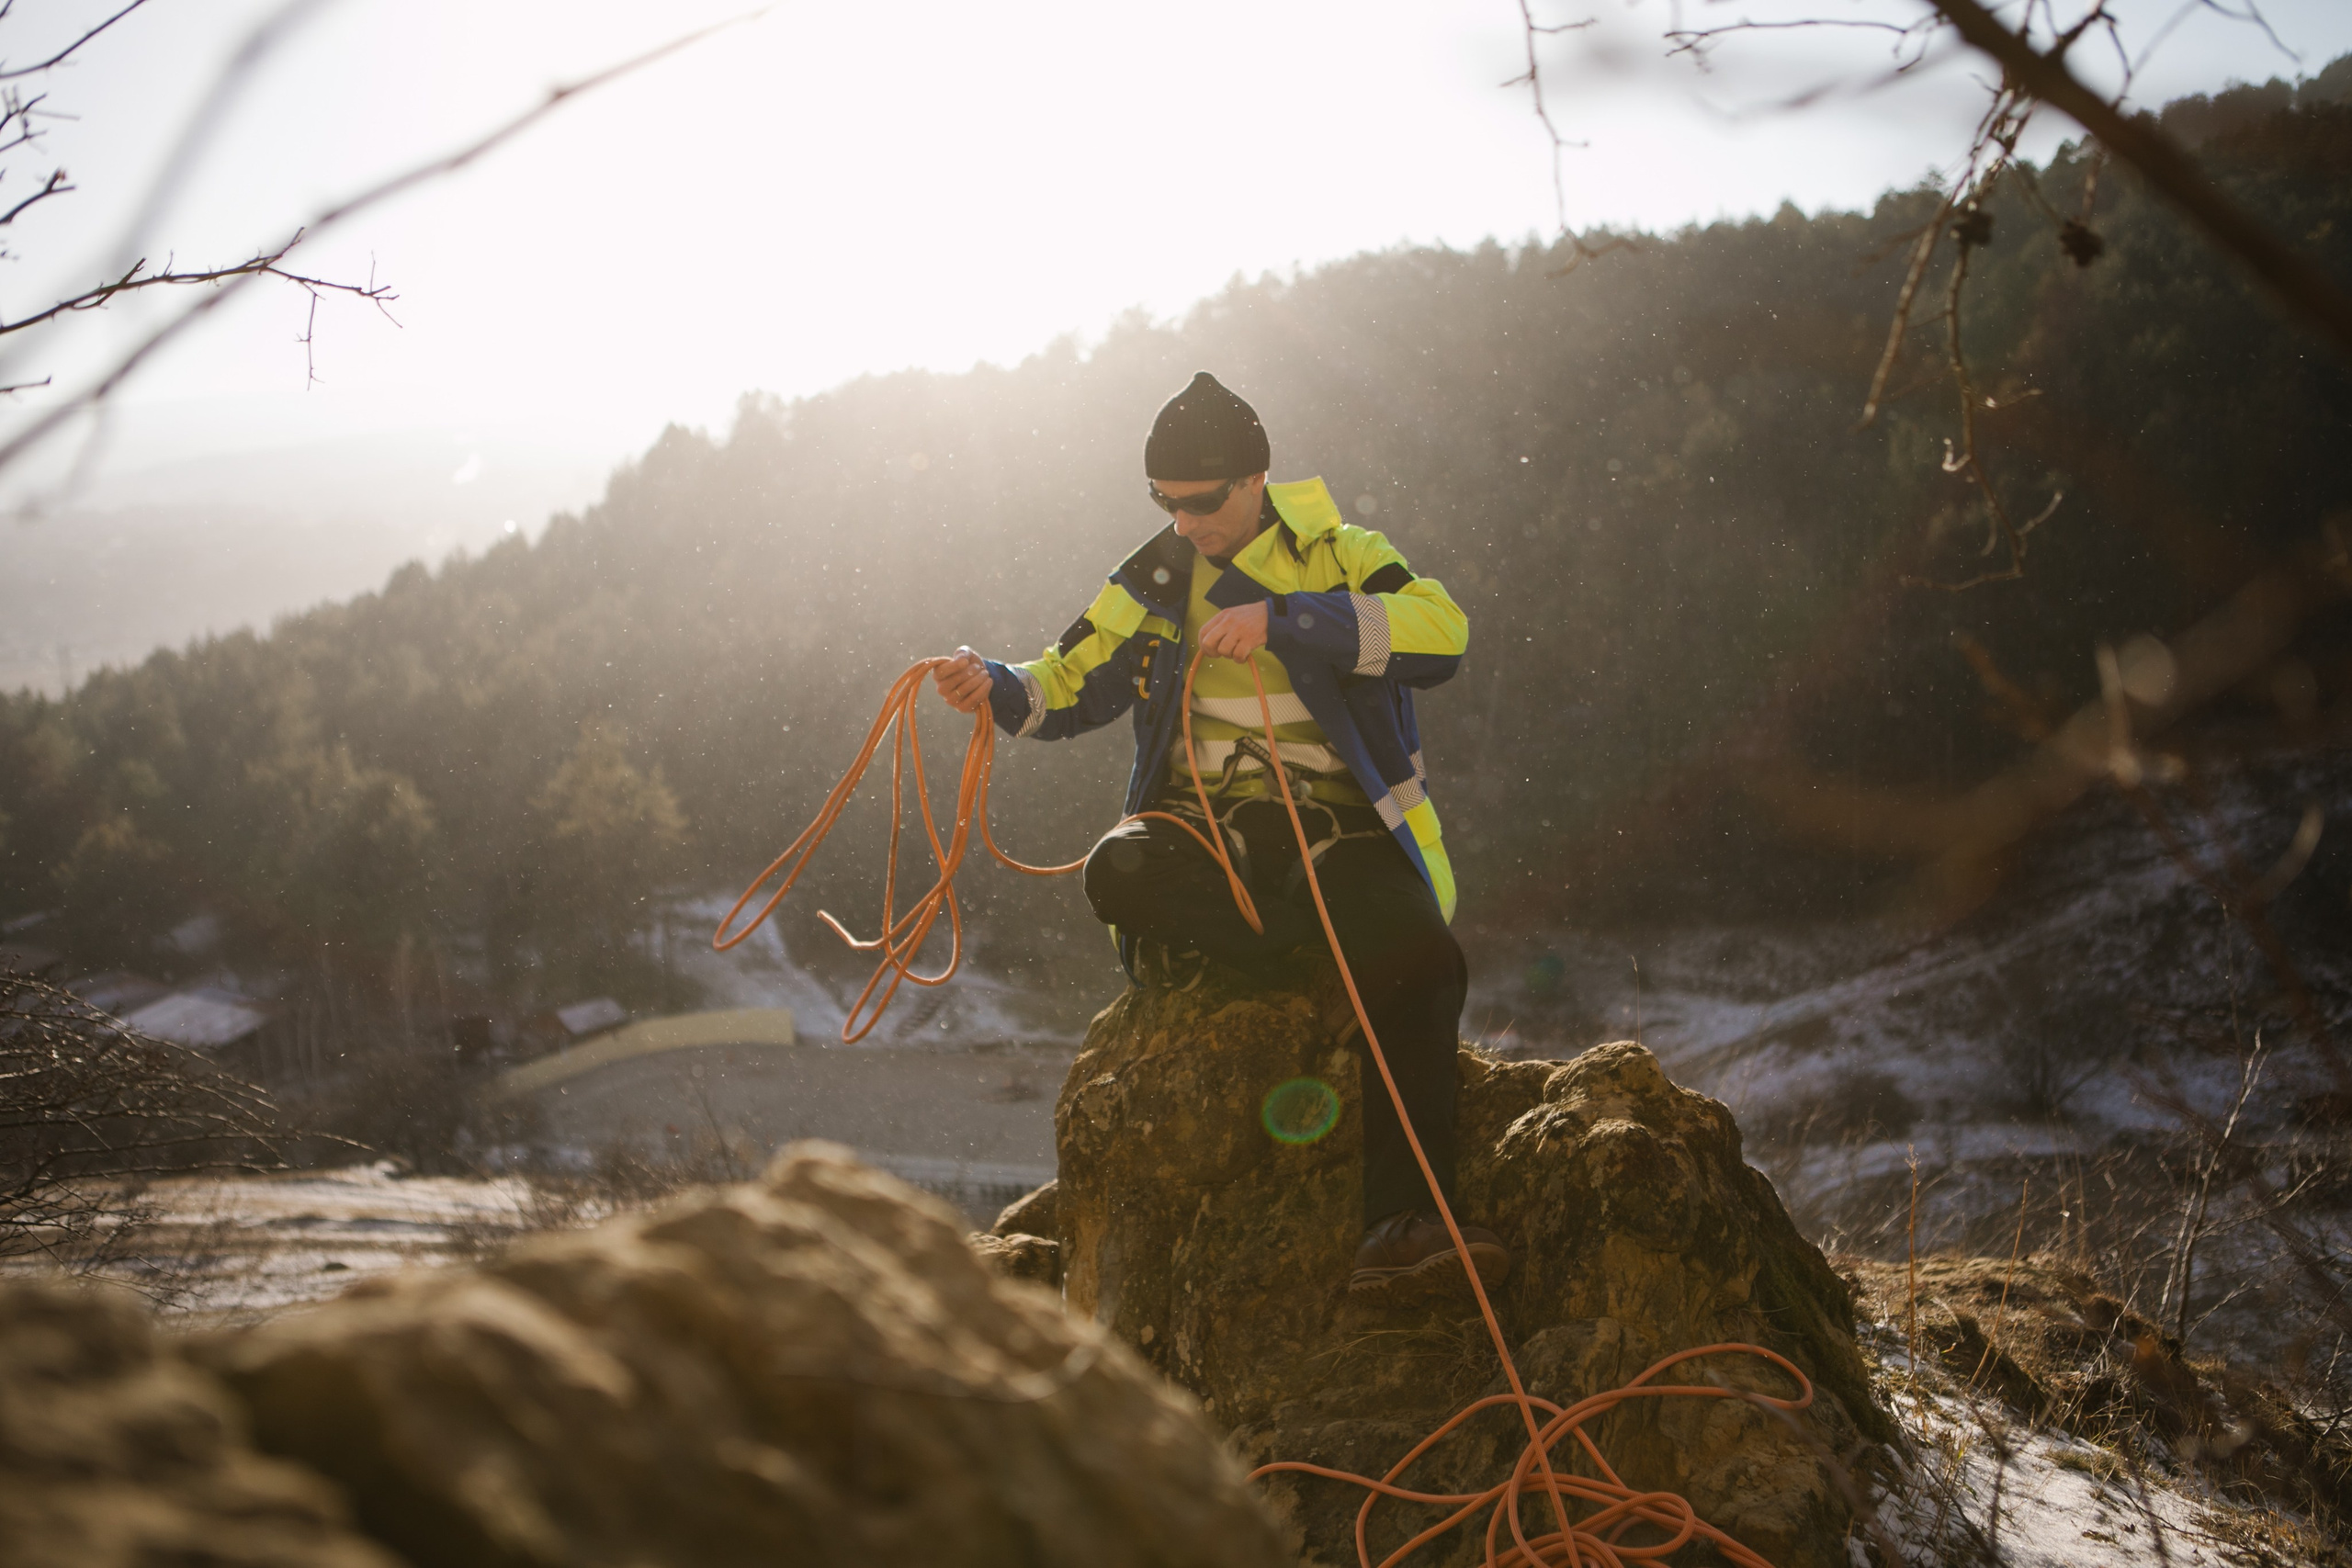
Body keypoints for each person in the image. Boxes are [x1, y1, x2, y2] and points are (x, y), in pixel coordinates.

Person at [932, 370, 1508, 1294]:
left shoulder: (1343, 552)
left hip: (1340, 833)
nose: (1183, 522)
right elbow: (1066, 680)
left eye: (1200, 501)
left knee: (1422, 960)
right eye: (1164, 502)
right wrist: (990, 683)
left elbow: (1441, 635)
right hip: (1208, 833)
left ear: (1254, 480)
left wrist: (1285, 621)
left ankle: (1401, 1226)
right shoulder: (1153, 575)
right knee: (1118, 871)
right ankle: (1297, 962)